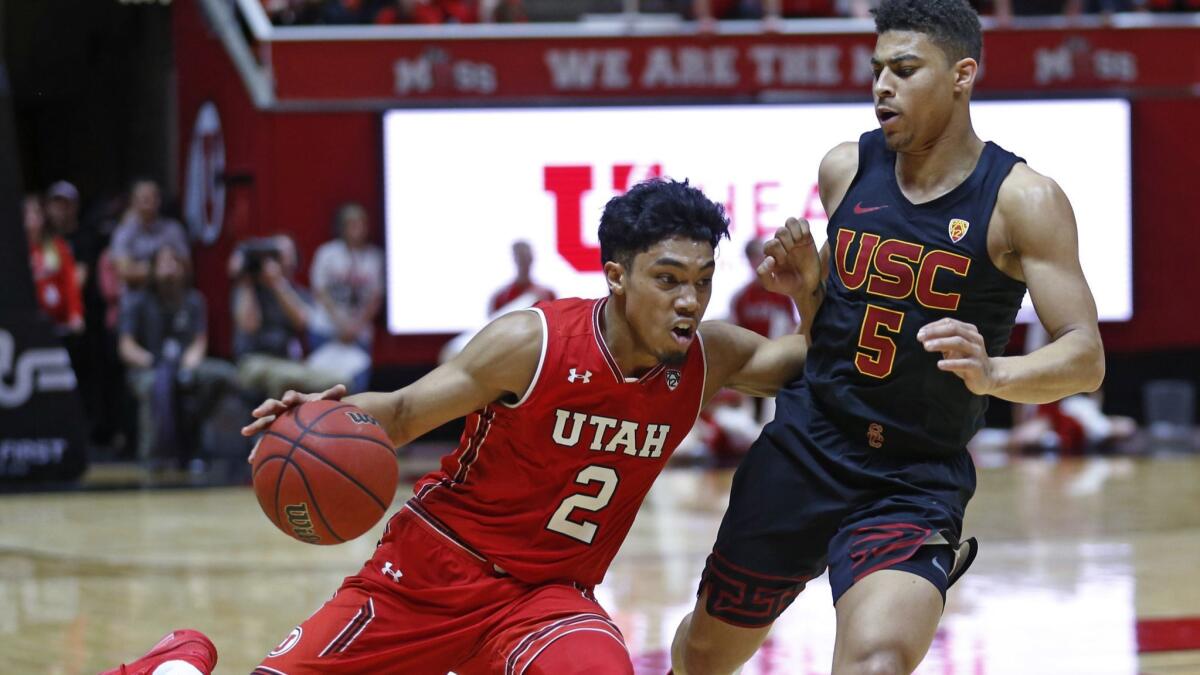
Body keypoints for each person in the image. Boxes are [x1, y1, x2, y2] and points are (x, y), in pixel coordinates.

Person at [103, 178, 825, 675]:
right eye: (668, 278)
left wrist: (808, 293)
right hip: (431, 572)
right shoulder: (531, 342)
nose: (689, 299)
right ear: (615, 276)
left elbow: (798, 359)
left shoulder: (704, 357)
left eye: (701, 280)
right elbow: (408, 411)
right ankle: (178, 658)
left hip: (547, 596)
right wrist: (327, 415)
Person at [670, 2, 1106, 673]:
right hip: (808, 446)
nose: (881, 86)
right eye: (876, 69)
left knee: (875, 662)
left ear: (962, 75)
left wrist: (995, 375)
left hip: (912, 476)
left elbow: (1085, 356)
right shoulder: (845, 168)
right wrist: (810, 289)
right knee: (702, 654)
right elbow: (830, 335)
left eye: (904, 69)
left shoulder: (1024, 199)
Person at [118, 245, 237, 466]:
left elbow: (199, 341)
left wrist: (189, 364)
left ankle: (199, 443)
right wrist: (153, 362)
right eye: (163, 263)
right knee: (154, 386)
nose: (169, 268)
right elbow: (126, 347)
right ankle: (153, 457)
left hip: (185, 365)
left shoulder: (194, 300)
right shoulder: (137, 301)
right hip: (148, 367)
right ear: (152, 269)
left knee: (224, 375)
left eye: (174, 262)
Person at [229, 234, 342, 398]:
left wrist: (277, 282)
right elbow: (248, 325)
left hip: (288, 361)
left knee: (339, 380)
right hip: (253, 361)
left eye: (284, 251)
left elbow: (302, 322)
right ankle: (272, 424)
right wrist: (245, 278)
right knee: (283, 378)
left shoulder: (298, 293)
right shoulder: (248, 289)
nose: (279, 256)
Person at [308, 202, 385, 392]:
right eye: (352, 224)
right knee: (321, 385)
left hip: (359, 334)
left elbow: (376, 298)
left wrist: (355, 327)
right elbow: (320, 291)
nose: (358, 229)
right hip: (326, 329)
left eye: (361, 224)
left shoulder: (374, 257)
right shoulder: (327, 253)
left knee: (356, 386)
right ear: (342, 227)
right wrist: (340, 323)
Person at [110, 179, 190, 292]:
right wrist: (158, 269)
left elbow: (186, 268)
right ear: (133, 202)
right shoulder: (124, 232)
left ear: (159, 200)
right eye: (143, 199)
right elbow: (124, 272)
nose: (147, 203)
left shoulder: (173, 229)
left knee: (194, 300)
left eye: (151, 198)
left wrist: (139, 268)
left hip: (170, 292)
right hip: (137, 293)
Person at [25, 194, 85, 334]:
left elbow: (70, 281)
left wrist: (75, 313)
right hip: (31, 325)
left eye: (37, 213)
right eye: (28, 213)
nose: (33, 218)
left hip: (61, 323)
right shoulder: (16, 252)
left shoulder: (57, 246)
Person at [487, 240, 557, 318]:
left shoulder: (547, 294)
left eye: (527, 257)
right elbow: (492, 324)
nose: (524, 262)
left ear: (532, 259)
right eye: (521, 257)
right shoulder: (500, 297)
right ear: (515, 259)